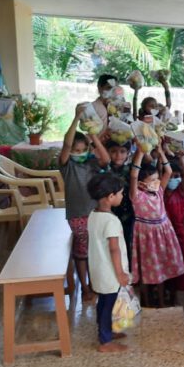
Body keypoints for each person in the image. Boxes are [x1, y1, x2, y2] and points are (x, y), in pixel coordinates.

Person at [59, 110, 110, 302]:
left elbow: (106, 160)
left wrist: (93, 137)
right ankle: (85, 287)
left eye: (82, 150)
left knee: (94, 250)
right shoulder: (66, 166)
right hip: (77, 215)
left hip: (95, 214)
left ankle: (95, 283)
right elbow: (65, 145)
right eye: (75, 151)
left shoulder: (92, 163)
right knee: (81, 253)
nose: (78, 154)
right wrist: (75, 119)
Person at [129, 146, 184, 307]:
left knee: (162, 268)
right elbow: (133, 175)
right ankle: (146, 300)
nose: (155, 183)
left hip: (163, 232)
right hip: (146, 235)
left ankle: (161, 301)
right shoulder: (137, 195)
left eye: (156, 179)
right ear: (140, 183)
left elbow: (167, 172)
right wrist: (140, 152)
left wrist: (161, 151)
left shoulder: (159, 191)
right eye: (151, 180)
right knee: (147, 270)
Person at [86, 173, 131, 353]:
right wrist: (120, 273)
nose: (122, 196)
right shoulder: (111, 221)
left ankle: (106, 331)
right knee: (108, 305)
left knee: (103, 302)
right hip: (110, 272)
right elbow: (114, 249)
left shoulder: (93, 214)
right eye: (120, 193)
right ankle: (105, 341)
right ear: (110, 197)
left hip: (98, 269)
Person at [164, 150, 184, 301]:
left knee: (183, 260)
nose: (174, 179)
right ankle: (170, 290)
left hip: (181, 232)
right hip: (167, 234)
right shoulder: (162, 193)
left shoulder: (181, 192)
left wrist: (182, 158)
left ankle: (181, 289)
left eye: (177, 176)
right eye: (171, 176)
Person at [106, 140, 135, 265]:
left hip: (128, 214)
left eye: (122, 151)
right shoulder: (104, 169)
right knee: (110, 244)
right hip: (109, 215)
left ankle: (127, 273)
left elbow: (148, 160)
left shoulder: (131, 170)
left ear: (128, 153)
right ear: (107, 152)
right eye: (113, 151)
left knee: (127, 243)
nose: (118, 155)